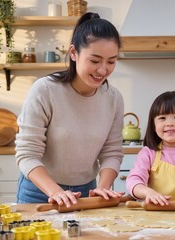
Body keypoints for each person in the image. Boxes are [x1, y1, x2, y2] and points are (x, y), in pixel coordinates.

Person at [15, 12, 125, 207]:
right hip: (39, 192)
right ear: (73, 53)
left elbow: (112, 152)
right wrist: (56, 192)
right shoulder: (45, 90)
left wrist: (104, 187)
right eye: (95, 60)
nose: (103, 70)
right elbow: (27, 154)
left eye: (111, 61)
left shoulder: (113, 98)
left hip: (87, 192)